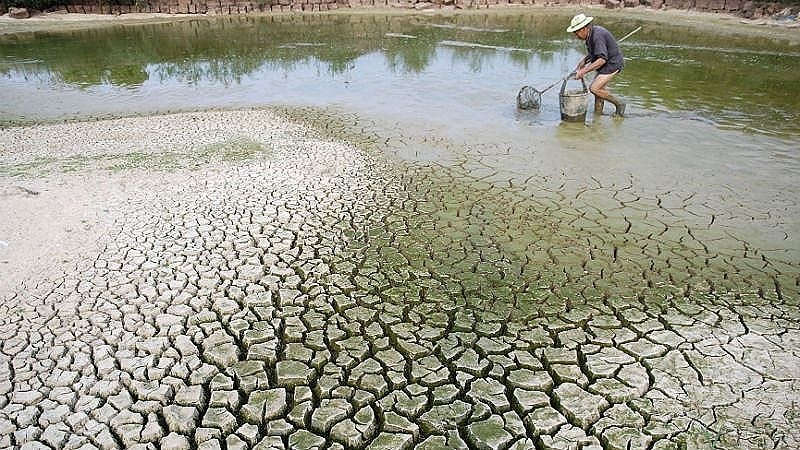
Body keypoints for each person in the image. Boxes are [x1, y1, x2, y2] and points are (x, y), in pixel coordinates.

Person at [567, 13, 626, 117]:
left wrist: (583, 71)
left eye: (576, 32)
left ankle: (619, 104)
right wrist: (584, 61)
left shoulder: (597, 35)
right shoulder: (590, 35)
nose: (576, 36)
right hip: (606, 63)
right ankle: (597, 117)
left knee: (594, 88)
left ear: (584, 28)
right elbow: (594, 52)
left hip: (612, 63)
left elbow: (602, 59)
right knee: (598, 93)